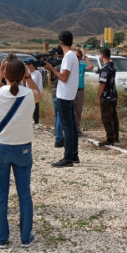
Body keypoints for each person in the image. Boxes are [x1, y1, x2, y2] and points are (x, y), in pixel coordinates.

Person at [0, 59, 41, 248]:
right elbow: (39, 94)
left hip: (0, 147)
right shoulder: (30, 95)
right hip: (23, 148)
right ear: (22, 74)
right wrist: (28, 76)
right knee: (24, 193)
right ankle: (25, 237)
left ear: (6, 74)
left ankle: (2, 237)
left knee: (1, 193)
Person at [44, 31, 80, 167]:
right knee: (72, 127)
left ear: (61, 42)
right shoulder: (74, 57)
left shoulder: (67, 57)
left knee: (68, 128)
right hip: (69, 96)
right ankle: (74, 154)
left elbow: (64, 77)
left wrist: (51, 70)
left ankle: (68, 158)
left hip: (64, 97)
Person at [95, 47, 119, 146]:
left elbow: (102, 84)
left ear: (102, 55)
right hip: (113, 94)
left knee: (106, 117)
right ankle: (115, 136)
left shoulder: (105, 68)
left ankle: (110, 139)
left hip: (106, 96)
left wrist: (97, 97)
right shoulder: (112, 66)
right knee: (113, 116)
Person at [74, 48, 94, 136]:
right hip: (72, 91)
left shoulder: (81, 66)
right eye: (74, 56)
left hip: (80, 91)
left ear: (80, 57)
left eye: (78, 56)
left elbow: (90, 66)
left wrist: (85, 55)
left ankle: (77, 129)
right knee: (71, 111)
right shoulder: (70, 66)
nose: (76, 58)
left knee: (78, 111)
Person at [25, 61, 43, 129]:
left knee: (36, 107)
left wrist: (39, 92)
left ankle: (37, 122)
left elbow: (40, 83)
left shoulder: (37, 73)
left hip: (35, 92)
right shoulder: (27, 72)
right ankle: (30, 120)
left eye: (29, 64)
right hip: (28, 92)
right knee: (28, 108)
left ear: (32, 65)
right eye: (27, 64)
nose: (28, 65)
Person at [51, 72, 64, 147]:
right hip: (59, 94)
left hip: (53, 93)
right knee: (60, 116)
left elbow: (49, 79)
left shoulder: (51, 66)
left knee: (56, 116)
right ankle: (59, 138)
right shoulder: (61, 66)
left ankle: (57, 134)